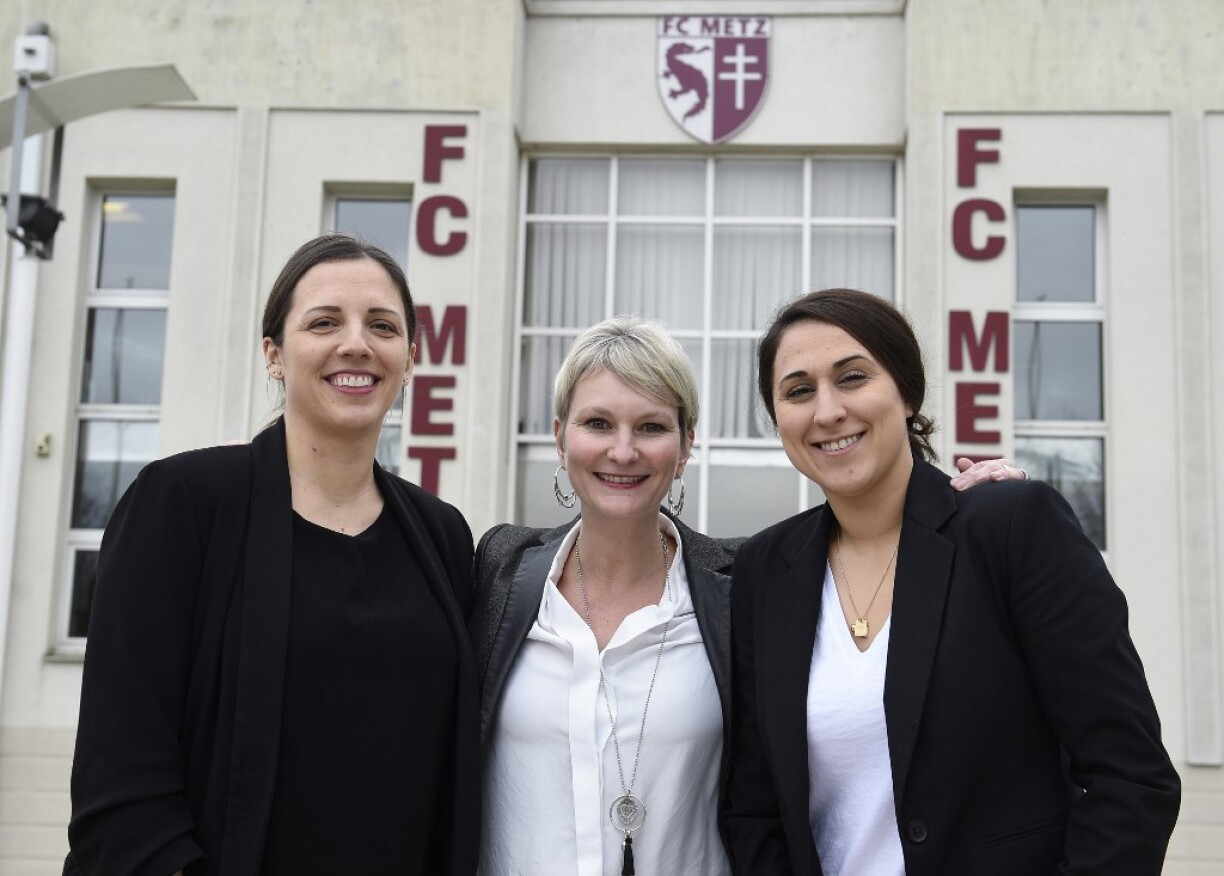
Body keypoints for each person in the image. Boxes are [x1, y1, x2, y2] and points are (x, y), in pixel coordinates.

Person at [469, 317, 1023, 876]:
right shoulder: (496, 570)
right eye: (597, 423)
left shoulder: (742, 588)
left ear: (685, 448)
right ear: (560, 438)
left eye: (652, 427)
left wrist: (968, 512)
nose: (623, 449)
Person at [722, 288, 1180, 875]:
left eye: (853, 377)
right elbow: (755, 808)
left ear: (907, 392)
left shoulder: (1011, 528)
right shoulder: (764, 570)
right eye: (798, 390)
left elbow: (1131, 777)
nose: (827, 410)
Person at [66, 234, 480, 875]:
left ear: (410, 357)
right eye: (324, 322)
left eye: (382, 325)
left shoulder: (442, 536)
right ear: (274, 354)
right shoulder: (183, 505)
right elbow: (121, 772)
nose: (356, 344)